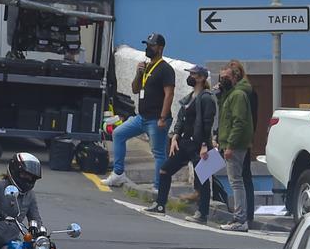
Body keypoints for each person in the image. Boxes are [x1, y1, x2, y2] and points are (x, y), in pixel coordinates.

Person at [101, 33, 175, 192]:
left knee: (158, 153)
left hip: (156, 119)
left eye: (152, 45)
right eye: (147, 45)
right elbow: (135, 89)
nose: (148, 48)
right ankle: (118, 173)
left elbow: (169, 94)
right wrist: (138, 73)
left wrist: (163, 118)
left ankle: (159, 187)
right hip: (141, 117)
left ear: (160, 48)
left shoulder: (165, 69)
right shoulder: (146, 67)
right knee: (118, 134)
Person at [146, 66, 216, 218]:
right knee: (165, 170)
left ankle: (202, 214)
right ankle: (160, 205)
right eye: (190, 74)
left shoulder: (207, 98)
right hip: (185, 142)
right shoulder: (189, 97)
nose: (190, 77)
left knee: (203, 180)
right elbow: (181, 119)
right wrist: (175, 136)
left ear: (201, 78)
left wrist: (204, 145)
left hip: (200, 144)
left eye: (194, 74)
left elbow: (207, 124)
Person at [216, 65, 254, 232]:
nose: (222, 80)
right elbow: (225, 118)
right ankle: (239, 217)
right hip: (227, 143)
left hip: (234, 145)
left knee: (236, 182)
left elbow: (239, 122)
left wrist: (230, 145)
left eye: (226, 77)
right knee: (235, 180)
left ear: (234, 78)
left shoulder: (238, 95)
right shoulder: (229, 94)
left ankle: (239, 219)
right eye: (221, 77)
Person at [229, 60, 257, 223]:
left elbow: (241, 119)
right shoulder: (239, 91)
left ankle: (245, 214)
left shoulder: (242, 93)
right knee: (243, 176)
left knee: (240, 177)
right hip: (236, 138)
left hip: (237, 140)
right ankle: (247, 214)